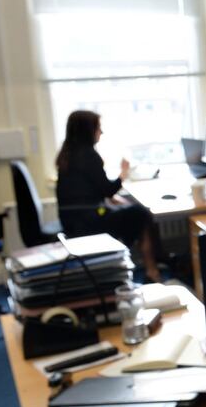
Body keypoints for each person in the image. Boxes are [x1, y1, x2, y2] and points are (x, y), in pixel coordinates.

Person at [55, 110, 161, 281]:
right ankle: (151, 270)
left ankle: (146, 267)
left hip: (74, 219)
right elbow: (107, 190)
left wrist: (111, 199)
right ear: (87, 131)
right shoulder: (89, 155)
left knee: (131, 210)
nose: (101, 132)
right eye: (98, 128)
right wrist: (123, 173)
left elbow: (86, 189)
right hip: (89, 222)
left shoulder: (68, 154)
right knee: (141, 214)